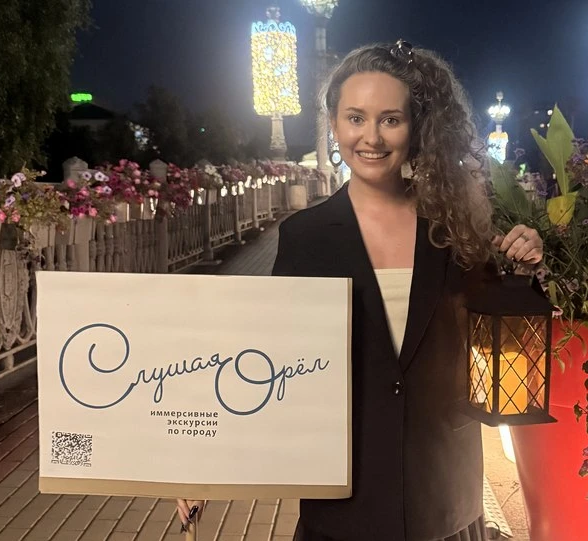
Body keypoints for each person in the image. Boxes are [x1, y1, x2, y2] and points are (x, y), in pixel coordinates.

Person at [177, 40, 544, 541]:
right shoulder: (305, 237)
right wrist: (206, 460)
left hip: (442, 496)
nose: (371, 137)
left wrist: (525, 265)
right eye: (356, 118)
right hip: (343, 503)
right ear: (334, 124)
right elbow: (267, 361)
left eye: (391, 119)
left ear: (417, 127)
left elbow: (501, 333)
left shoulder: (457, 227)